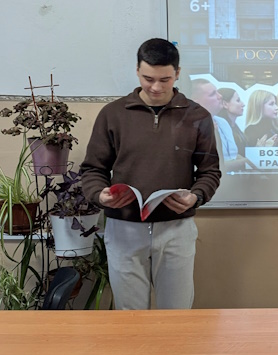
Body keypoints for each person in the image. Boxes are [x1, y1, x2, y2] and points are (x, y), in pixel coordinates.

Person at [80, 38, 221, 310]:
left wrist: (196, 196)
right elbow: (93, 169)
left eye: (165, 80)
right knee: (129, 315)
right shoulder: (113, 114)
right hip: (123, 228)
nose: (156, 87)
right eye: (148, 79)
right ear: (137, 71)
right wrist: (100, 194)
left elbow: (209, 172)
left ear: (177, 73)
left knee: (176, 313)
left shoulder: (197, 116)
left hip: (176, 228)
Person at [191, 79, 241, 169]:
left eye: (217, 92)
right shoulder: (189, 128)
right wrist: (244, 162)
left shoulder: (222, 122)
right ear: (196, 102)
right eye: (213, 94)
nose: (220, 96)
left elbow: (232, 156)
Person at [218, 88, 247, 157]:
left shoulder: (235, 127)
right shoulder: (220, 129)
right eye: (238, 100)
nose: (243, 104)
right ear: (225, 104)